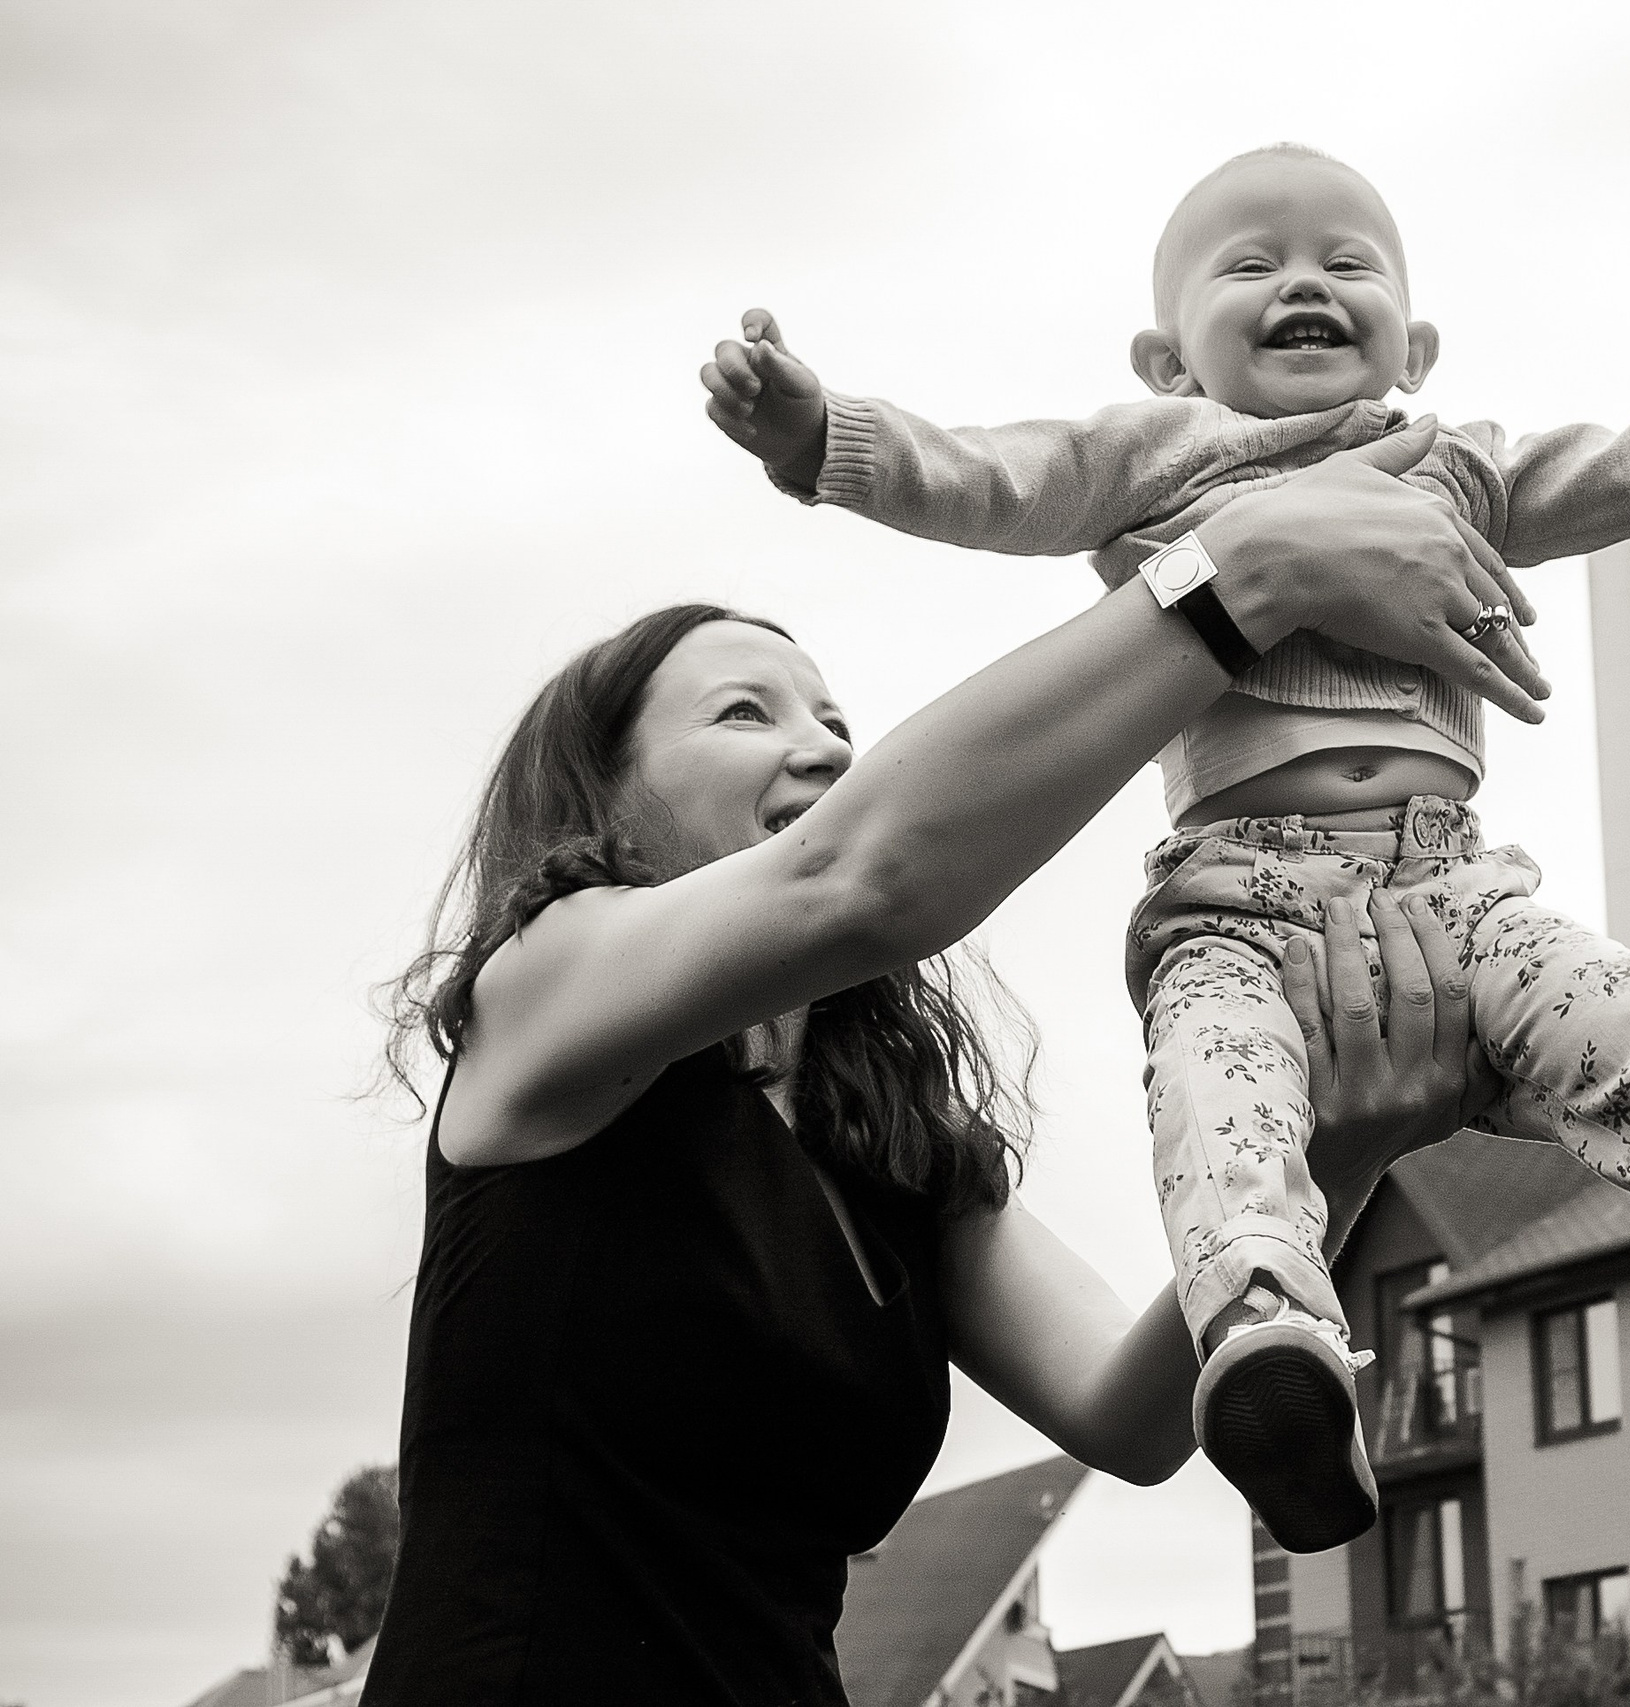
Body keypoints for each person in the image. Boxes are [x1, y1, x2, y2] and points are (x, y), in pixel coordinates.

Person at [696, 143, 1630, 1555]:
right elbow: (991, 480)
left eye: (1345, 262)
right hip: (1240, 905)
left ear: (1412, 343)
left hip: (1455, 886)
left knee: (1620, 1013)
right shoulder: (1152, 459)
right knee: (1223, 1096)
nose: (1304, 278)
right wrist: (821, 437)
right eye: (1252, 263)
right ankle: (1267, 1341)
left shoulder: (1459, 468)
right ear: (1166, 359)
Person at [360, 443, 1538, 1707]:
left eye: (835, 723)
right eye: (744, 712)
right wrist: (1244, 574)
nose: (820, 749)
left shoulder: (892, 1152)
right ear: (606, 797)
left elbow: (1130, 1420)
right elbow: (862, 881)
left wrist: (1339, 1155)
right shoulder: (541, 993)